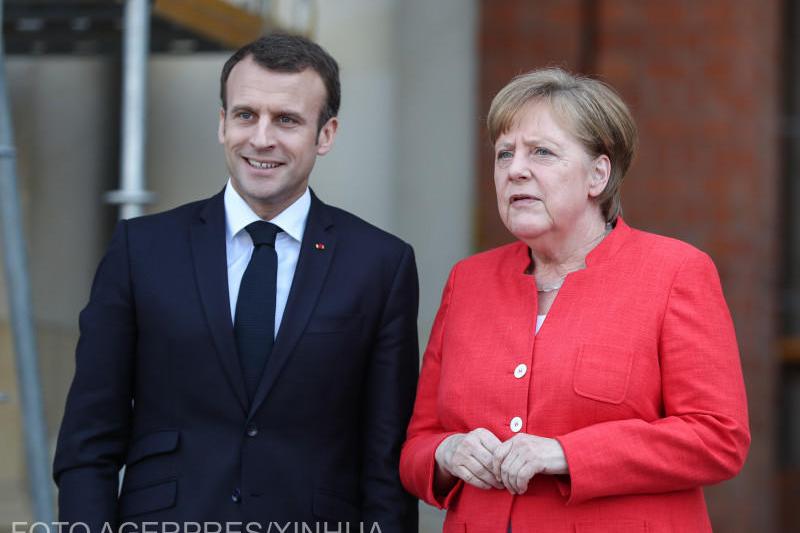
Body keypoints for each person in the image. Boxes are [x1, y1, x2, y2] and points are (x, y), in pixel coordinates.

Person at [53, 33, 419, 532]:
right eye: (246, 115)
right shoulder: (141, 250)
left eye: (287, 120)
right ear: (222, 124)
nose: (262, 138)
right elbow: (88, 442)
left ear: (326, 134)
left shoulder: (380, 263)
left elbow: (386, 460)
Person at [399, 68, 750, 532]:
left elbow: (718, 438)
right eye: (505, 154)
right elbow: (417, 445)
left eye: (541, 152)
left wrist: (565, 453)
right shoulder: (469, 280)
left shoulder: (674, 272)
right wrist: (447, 453)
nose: (515, 169)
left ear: (598, 175)